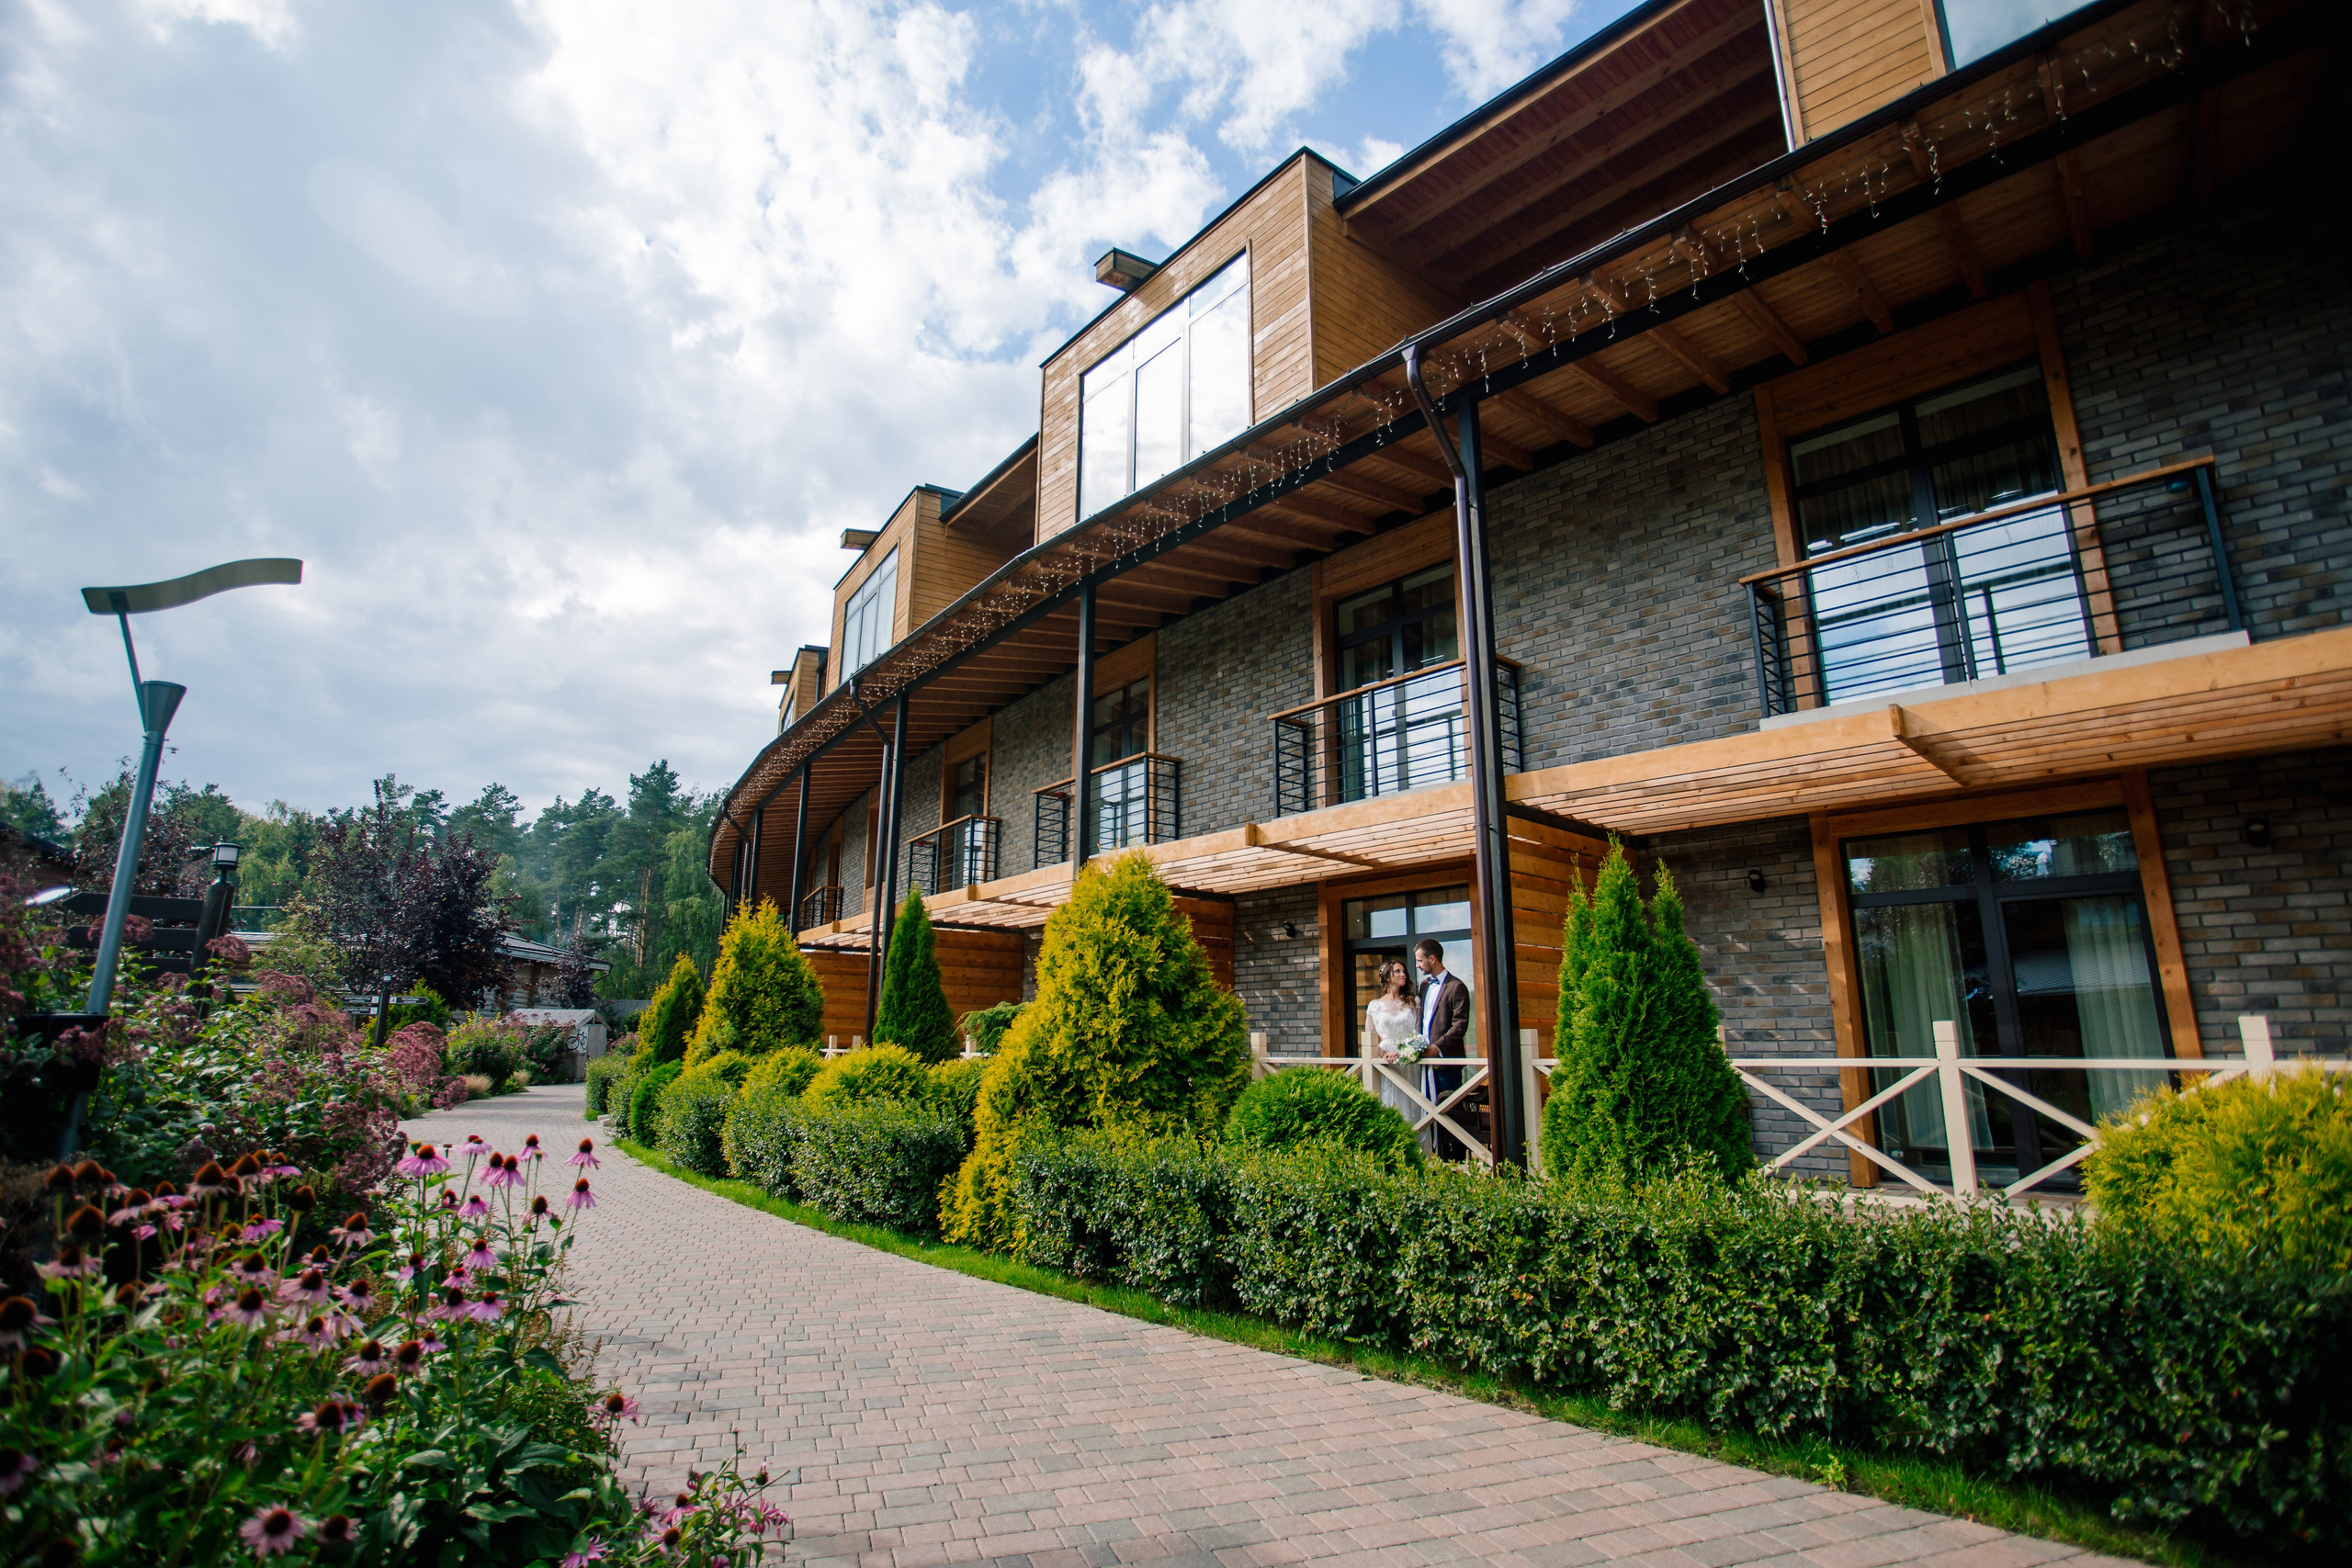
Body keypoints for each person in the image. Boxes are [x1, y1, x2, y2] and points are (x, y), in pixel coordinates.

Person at [1416, 938, 1471, 1158]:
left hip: (1447, 1064)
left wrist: (1436, 1048)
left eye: (1420, 960)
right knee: (1429, 1113)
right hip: (1425, 1064)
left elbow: (1460, 1025)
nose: (1418, 965)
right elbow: (1422, 1021)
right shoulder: (1424, 986)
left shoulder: (1457, 986)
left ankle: (1456, 1160)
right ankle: (1435, 1156)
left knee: (1451, 1114)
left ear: (1432, 958)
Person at [1361, 958, 1420, 1124]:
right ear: (1388, 977)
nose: (1403, 975)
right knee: (1388, 1101)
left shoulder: (1413, 1003)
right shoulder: (1375, 1005)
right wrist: (1384, 1053)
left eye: (1404, 972)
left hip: (1408, 1056)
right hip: (1386, 1059)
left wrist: (1411, 1051)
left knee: (1411, 1102)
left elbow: (1418, 1032)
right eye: (1397, 971)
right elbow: (1370, 1037)